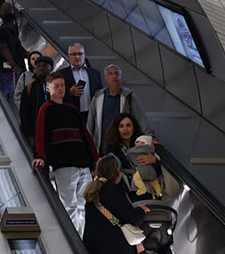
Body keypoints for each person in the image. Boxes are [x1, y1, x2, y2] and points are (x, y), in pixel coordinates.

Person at [31, 72, 99, 237]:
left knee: (84, 205)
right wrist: (40, 155)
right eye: (56, 86)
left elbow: (85, 136)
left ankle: (80, 240)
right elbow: (40, 134)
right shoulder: (46, 109)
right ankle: (72, 241)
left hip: (83, 163)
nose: (60, 89)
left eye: (62, 85)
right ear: (48, 88)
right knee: (69, 206)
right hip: (63, 165)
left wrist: (95, 160)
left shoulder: (72, 109)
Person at [83, 155, 149, 254]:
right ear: (118, 174)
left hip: (91, 245)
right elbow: (134, 218)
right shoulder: (113, 191)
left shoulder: (92, 192)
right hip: (113, 245)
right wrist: (142, 210)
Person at [87, 64, 153, 154]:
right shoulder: (98, 96)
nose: (114, 76)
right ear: (106, 79)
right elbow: (90, 124)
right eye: (110, 74)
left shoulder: (129, 96)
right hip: (102, 147)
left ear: (120, 77)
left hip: (123, 146)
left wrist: (150, 136)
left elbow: (141, 119)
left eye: (116, 73)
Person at [104, 113, 162, 201]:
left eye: (128, 125)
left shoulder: (143, 144)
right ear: (117, 129)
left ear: (134, 127)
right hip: (124, 194)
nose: (125, 129)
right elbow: (111, 174)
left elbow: (157, 173)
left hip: (146, 191)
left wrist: (154, 160)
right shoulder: (111, 149)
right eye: (121, 126)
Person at [59, 43, 103, 121]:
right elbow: (55, 95)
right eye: (74, 54)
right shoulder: (61, 74)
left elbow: (101, 93)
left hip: (93, 115)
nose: (77, 57)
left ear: (84, 55)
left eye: (80, 54)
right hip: (71, 115)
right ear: (69, 56)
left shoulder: (95, 73)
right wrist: (69, 92)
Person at [0, 13, 28, 98]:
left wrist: (33, 55)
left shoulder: (12, 34)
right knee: (8, 94)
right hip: (6, 71)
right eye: (16, 23)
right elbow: (4, 48)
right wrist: (14, 66)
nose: (17, 25)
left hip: (11, 71)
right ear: (13, 22)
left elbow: (20, 50)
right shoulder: (2, 31)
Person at [19, 56, 53, 144]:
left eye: (45, 66)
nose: (41, 68)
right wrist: (29, 135)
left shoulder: (58, 87)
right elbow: (24, 113)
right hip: (36, 132)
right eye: (39, 66)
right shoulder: (30, 88)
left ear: (51, 69)